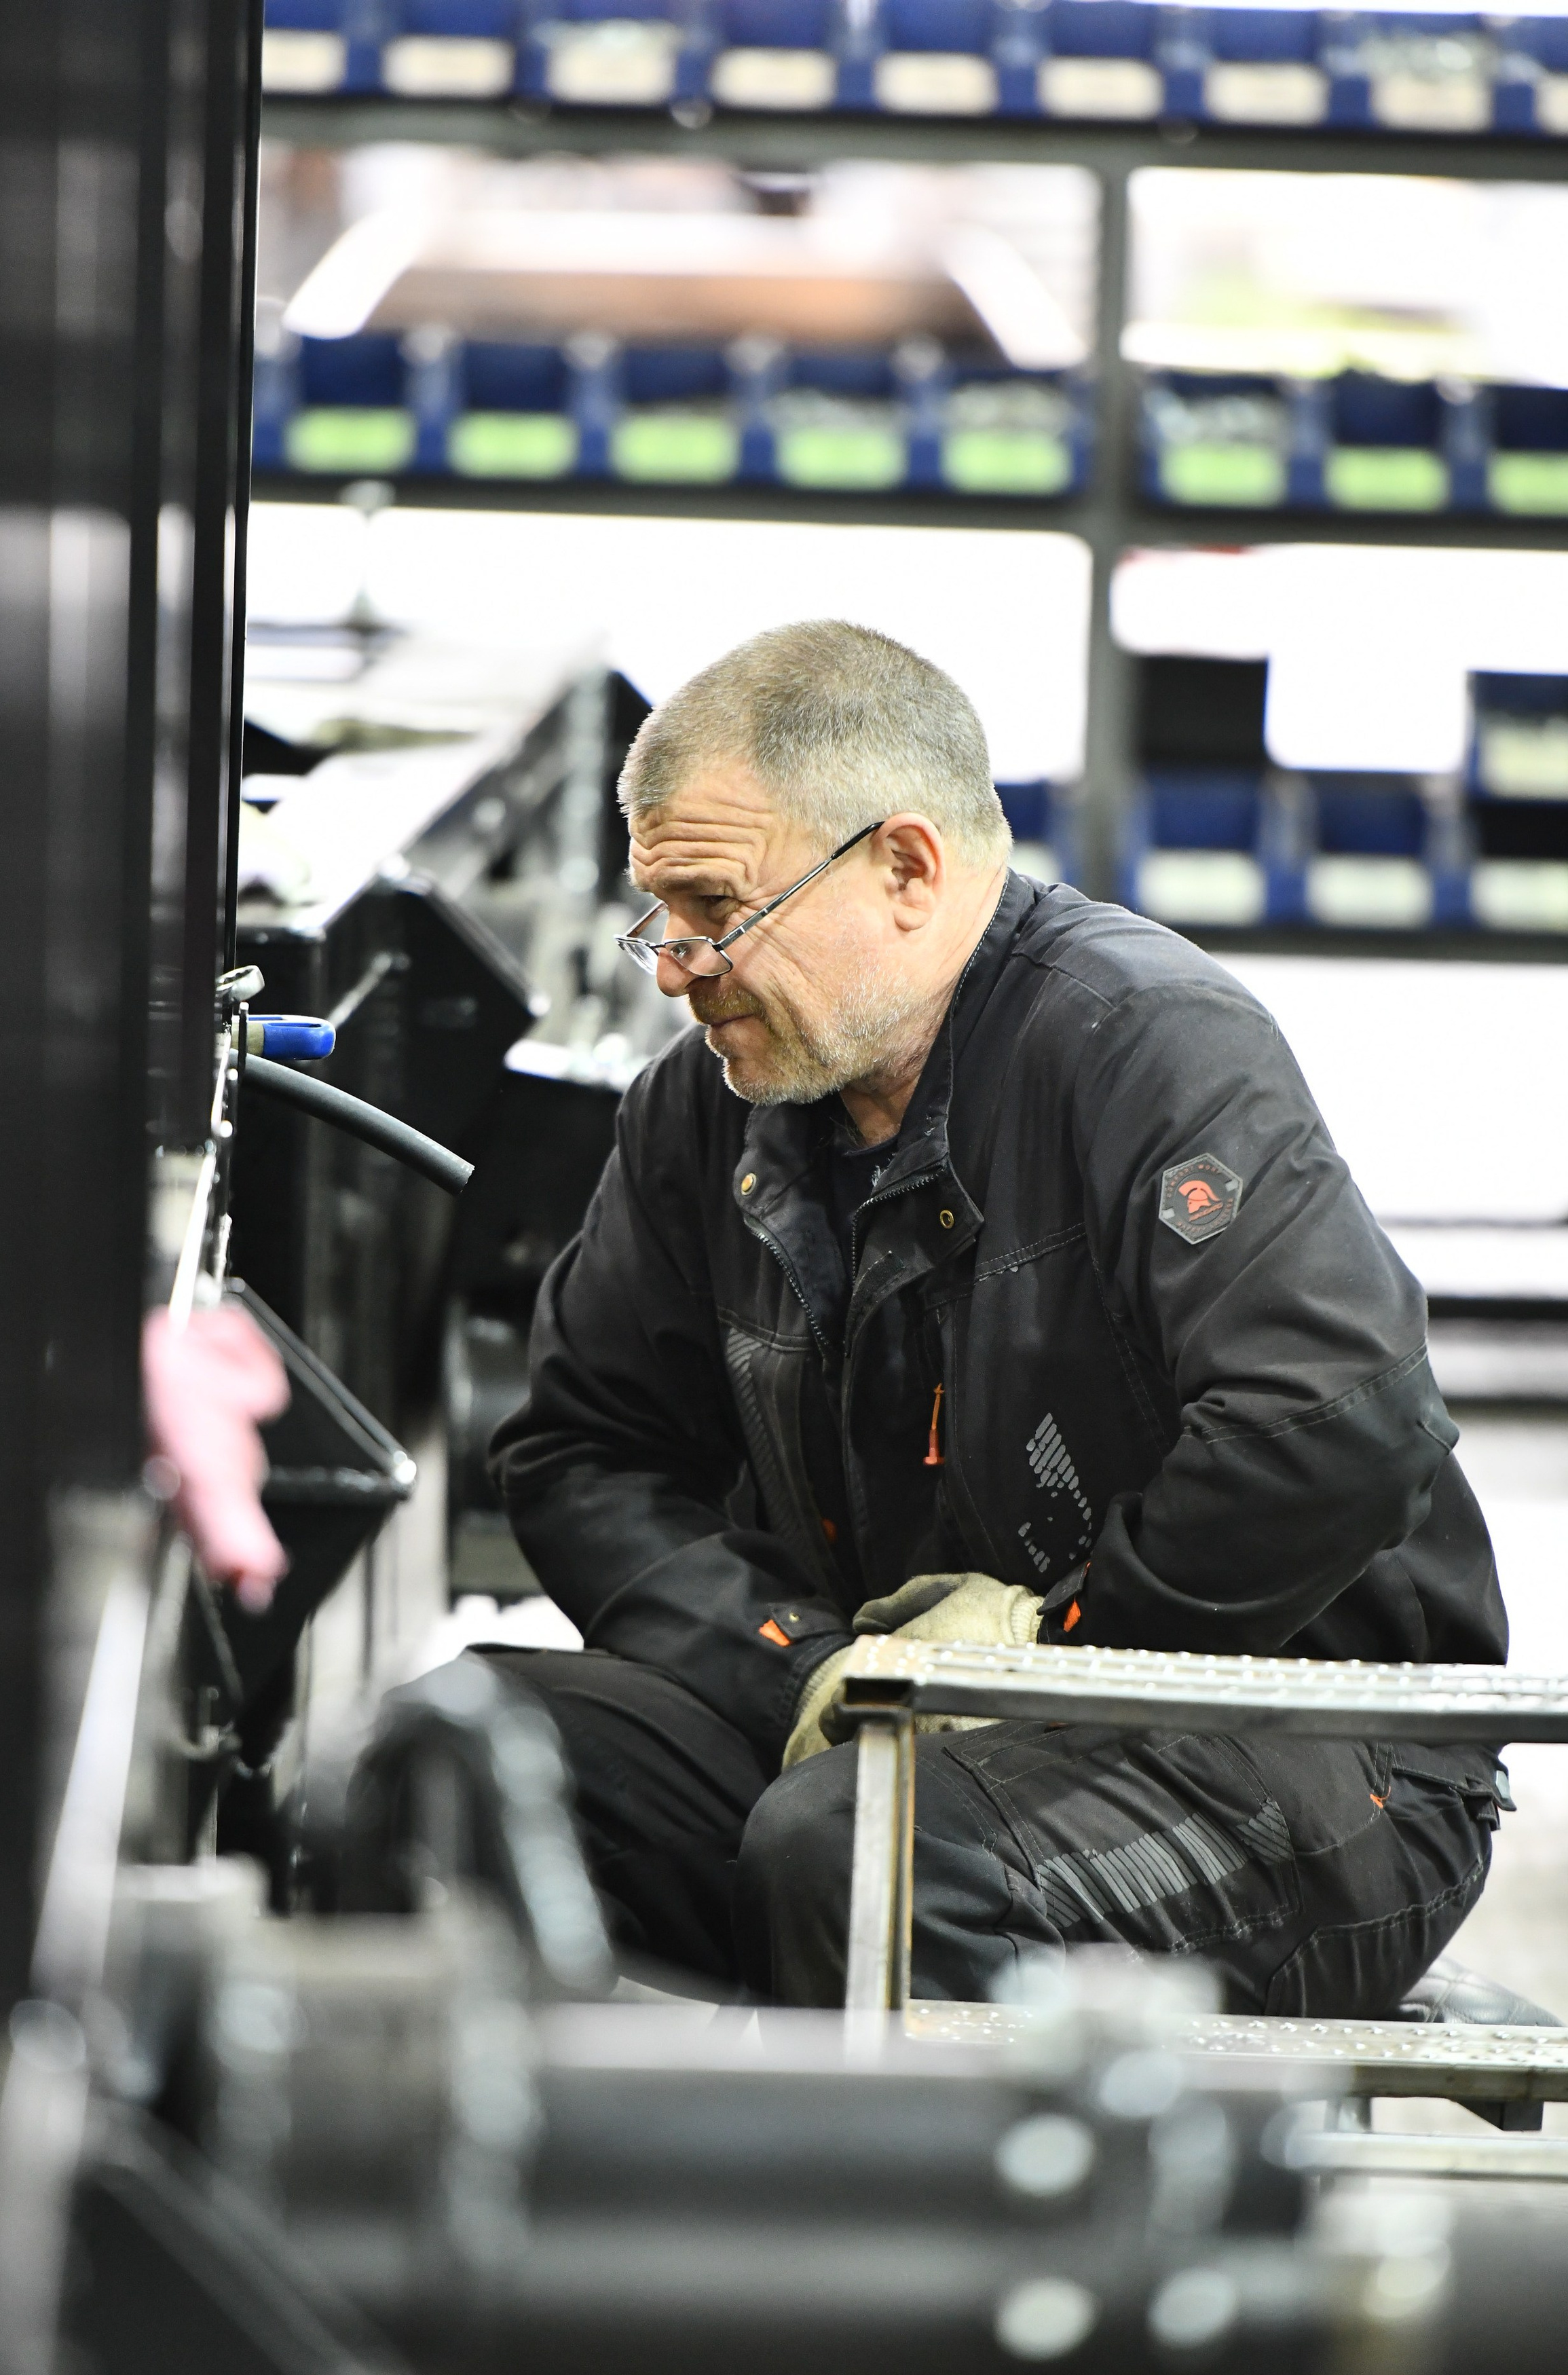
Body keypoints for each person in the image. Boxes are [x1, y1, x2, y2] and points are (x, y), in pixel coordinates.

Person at [488, 619, 1512, 2011]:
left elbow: (1334, 1426)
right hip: (887, 1721)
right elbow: (581, 1454)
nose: (675, 966)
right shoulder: (706, 1113)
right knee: (462, 1758)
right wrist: (799, 1663)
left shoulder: (1141, 1042)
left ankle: (923, 2158)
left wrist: (1052, 1643)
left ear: (906, 869)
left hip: (1314, 1746)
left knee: (868, 1859)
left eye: (717, 910)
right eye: (659, 915)